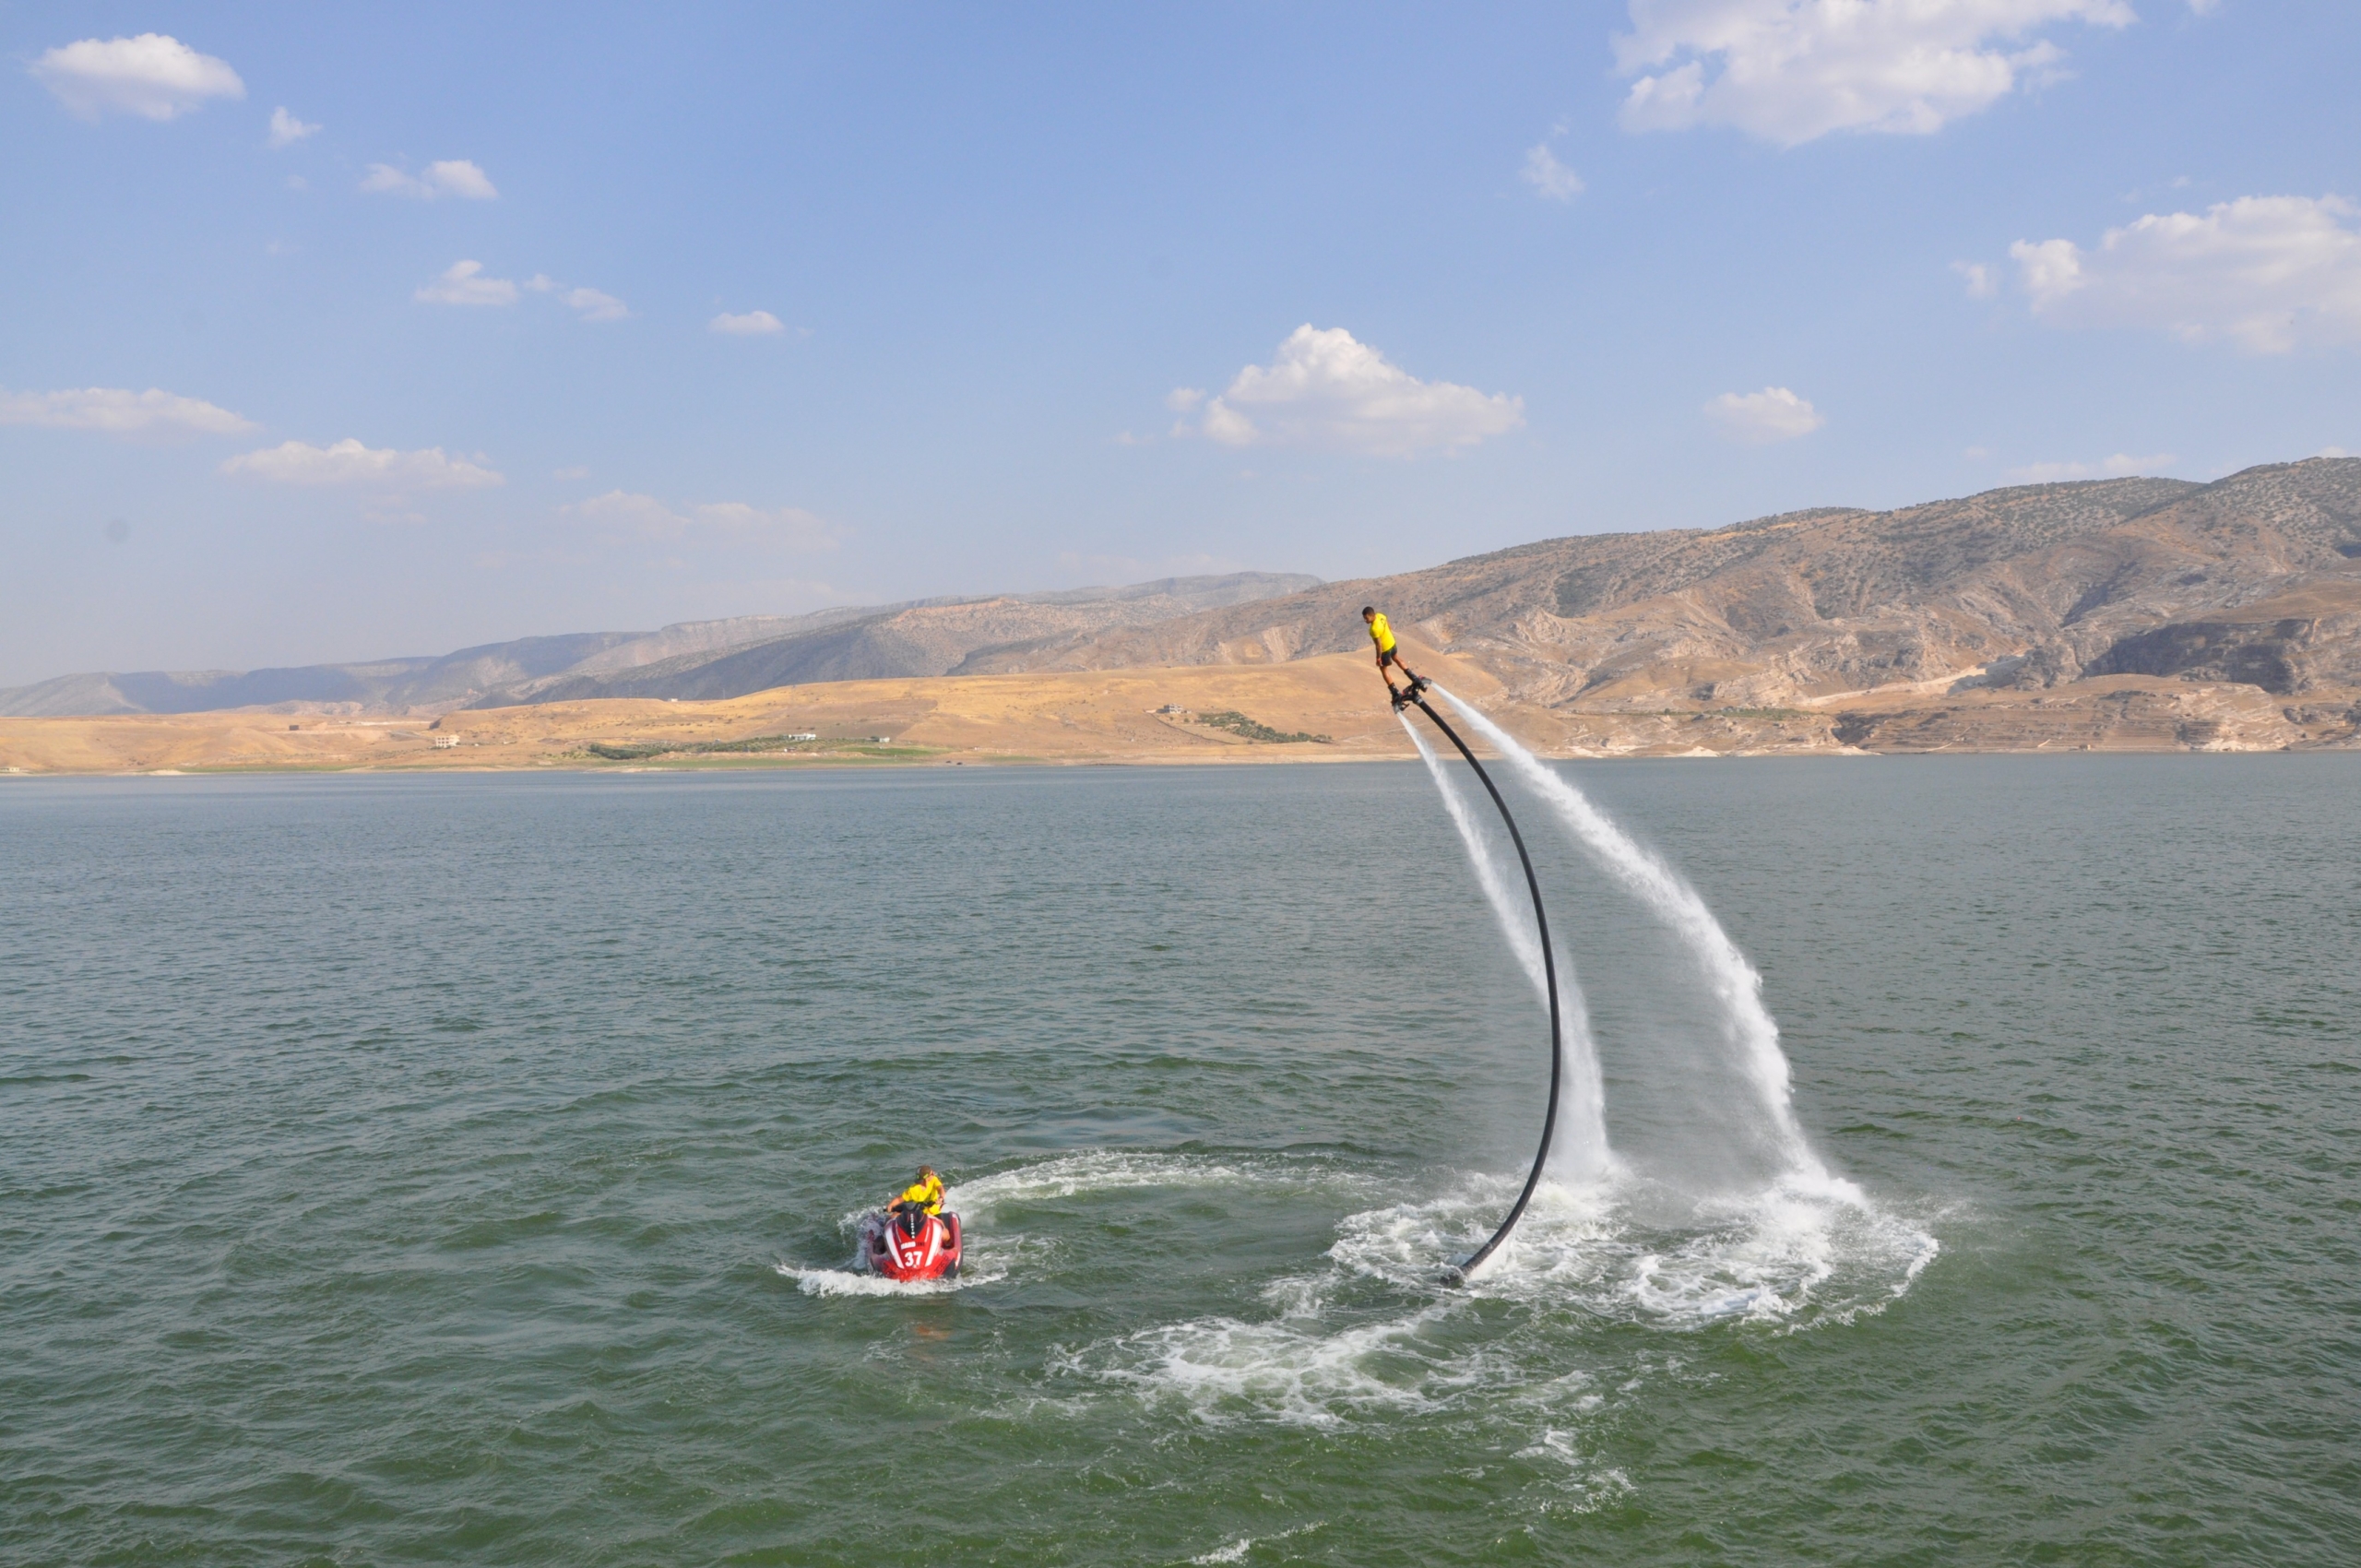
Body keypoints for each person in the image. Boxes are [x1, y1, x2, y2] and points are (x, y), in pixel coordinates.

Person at [1363, 606, 1428, 703]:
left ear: (1372, 616)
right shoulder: (1381, 616)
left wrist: (1378, 658)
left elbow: (1378, 645)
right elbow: (1389, 627)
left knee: (1383, 669)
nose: (1365, 620)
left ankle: (1394, 692)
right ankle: (1414, 677)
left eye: (1366, 618)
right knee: (1397, 658)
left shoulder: (1373, 629)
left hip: (1385, 649)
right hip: (1392, 643)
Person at [888, 1165, 946, 1234]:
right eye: (932, 1173)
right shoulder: (914, 1189)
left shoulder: (934, 1180)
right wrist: (891, 1205)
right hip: (919, 1215)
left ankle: (949, 1243)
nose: (934, 1173)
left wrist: (941, 1198)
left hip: (934, 1212)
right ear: (927, 1178)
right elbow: (899, 1199)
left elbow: (940, 1188)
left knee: (944, 1230)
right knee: (892, 1217)